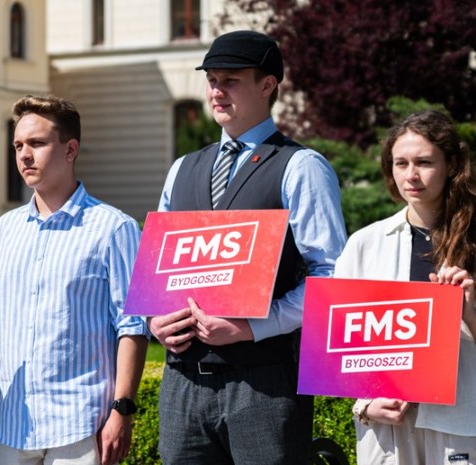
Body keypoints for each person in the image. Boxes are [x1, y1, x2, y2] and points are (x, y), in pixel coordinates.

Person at [147, 30, 347, 465]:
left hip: (264, 383)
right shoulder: (182, 168)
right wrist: (154, 321)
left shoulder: (301, 166)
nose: (216, 91)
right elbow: (158, 270)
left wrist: (253, 327)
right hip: (182, 384)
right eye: (212, 80)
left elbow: (331, 276)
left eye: (231, 80)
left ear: (267, 84)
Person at [335, 110, 476, 465]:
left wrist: (469, 314)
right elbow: (339, 350)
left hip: (464, 426)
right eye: (401, 163)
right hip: (388, 432)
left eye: (424, 162)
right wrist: (365, 405)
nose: (411, 175)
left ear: (451, 165)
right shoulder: (363, 245)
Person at [0, 94, 149, 465]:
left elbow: (133, 326)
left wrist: (122, 410)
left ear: (70, 149)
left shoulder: (114, 228)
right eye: (18, 146)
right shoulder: (5, 229)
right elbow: (2, 326)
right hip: (11, 425)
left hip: (81, 424)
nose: (24, 155)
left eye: (37, 143)